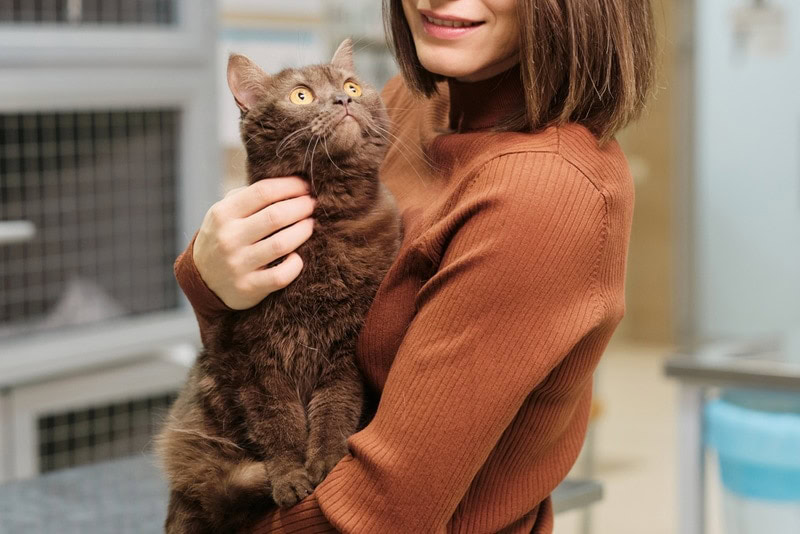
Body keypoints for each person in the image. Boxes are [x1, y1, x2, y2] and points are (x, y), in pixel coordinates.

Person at [175, 0, 656, 532]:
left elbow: (379, 514)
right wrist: (209, 278)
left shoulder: (545, 193)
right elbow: (266, 349)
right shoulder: (409, 101)